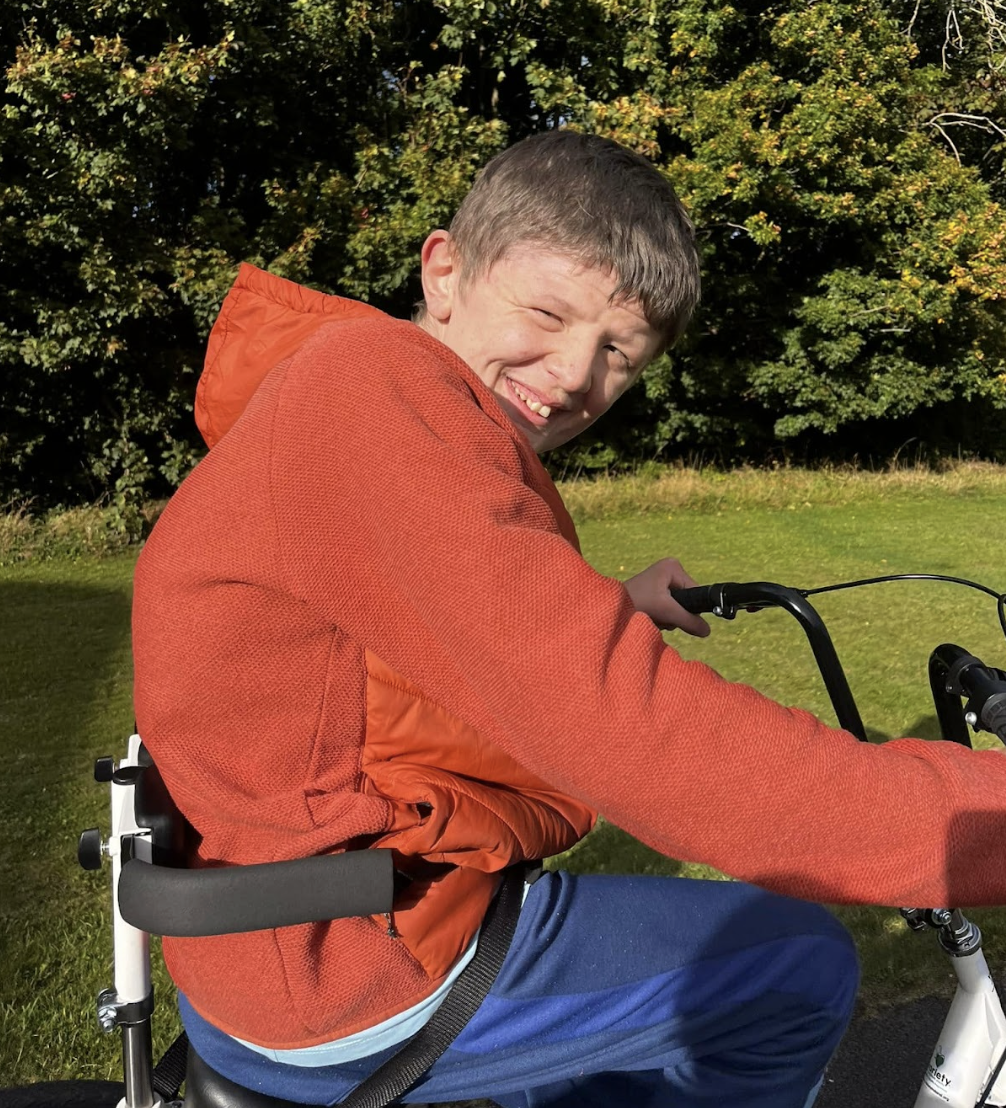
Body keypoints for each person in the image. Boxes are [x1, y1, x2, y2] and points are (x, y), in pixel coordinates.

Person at [132, 130, 1006, 1108]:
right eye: (546, 312)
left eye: (618, 355)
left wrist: (615, 606)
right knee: (795, 966)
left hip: (288, 934)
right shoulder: (369, 396)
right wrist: (979, 820)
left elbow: (407, 647)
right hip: (352, 968)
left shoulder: (359, 392)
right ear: (446, 270)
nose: (574, 375)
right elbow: (643, 746)